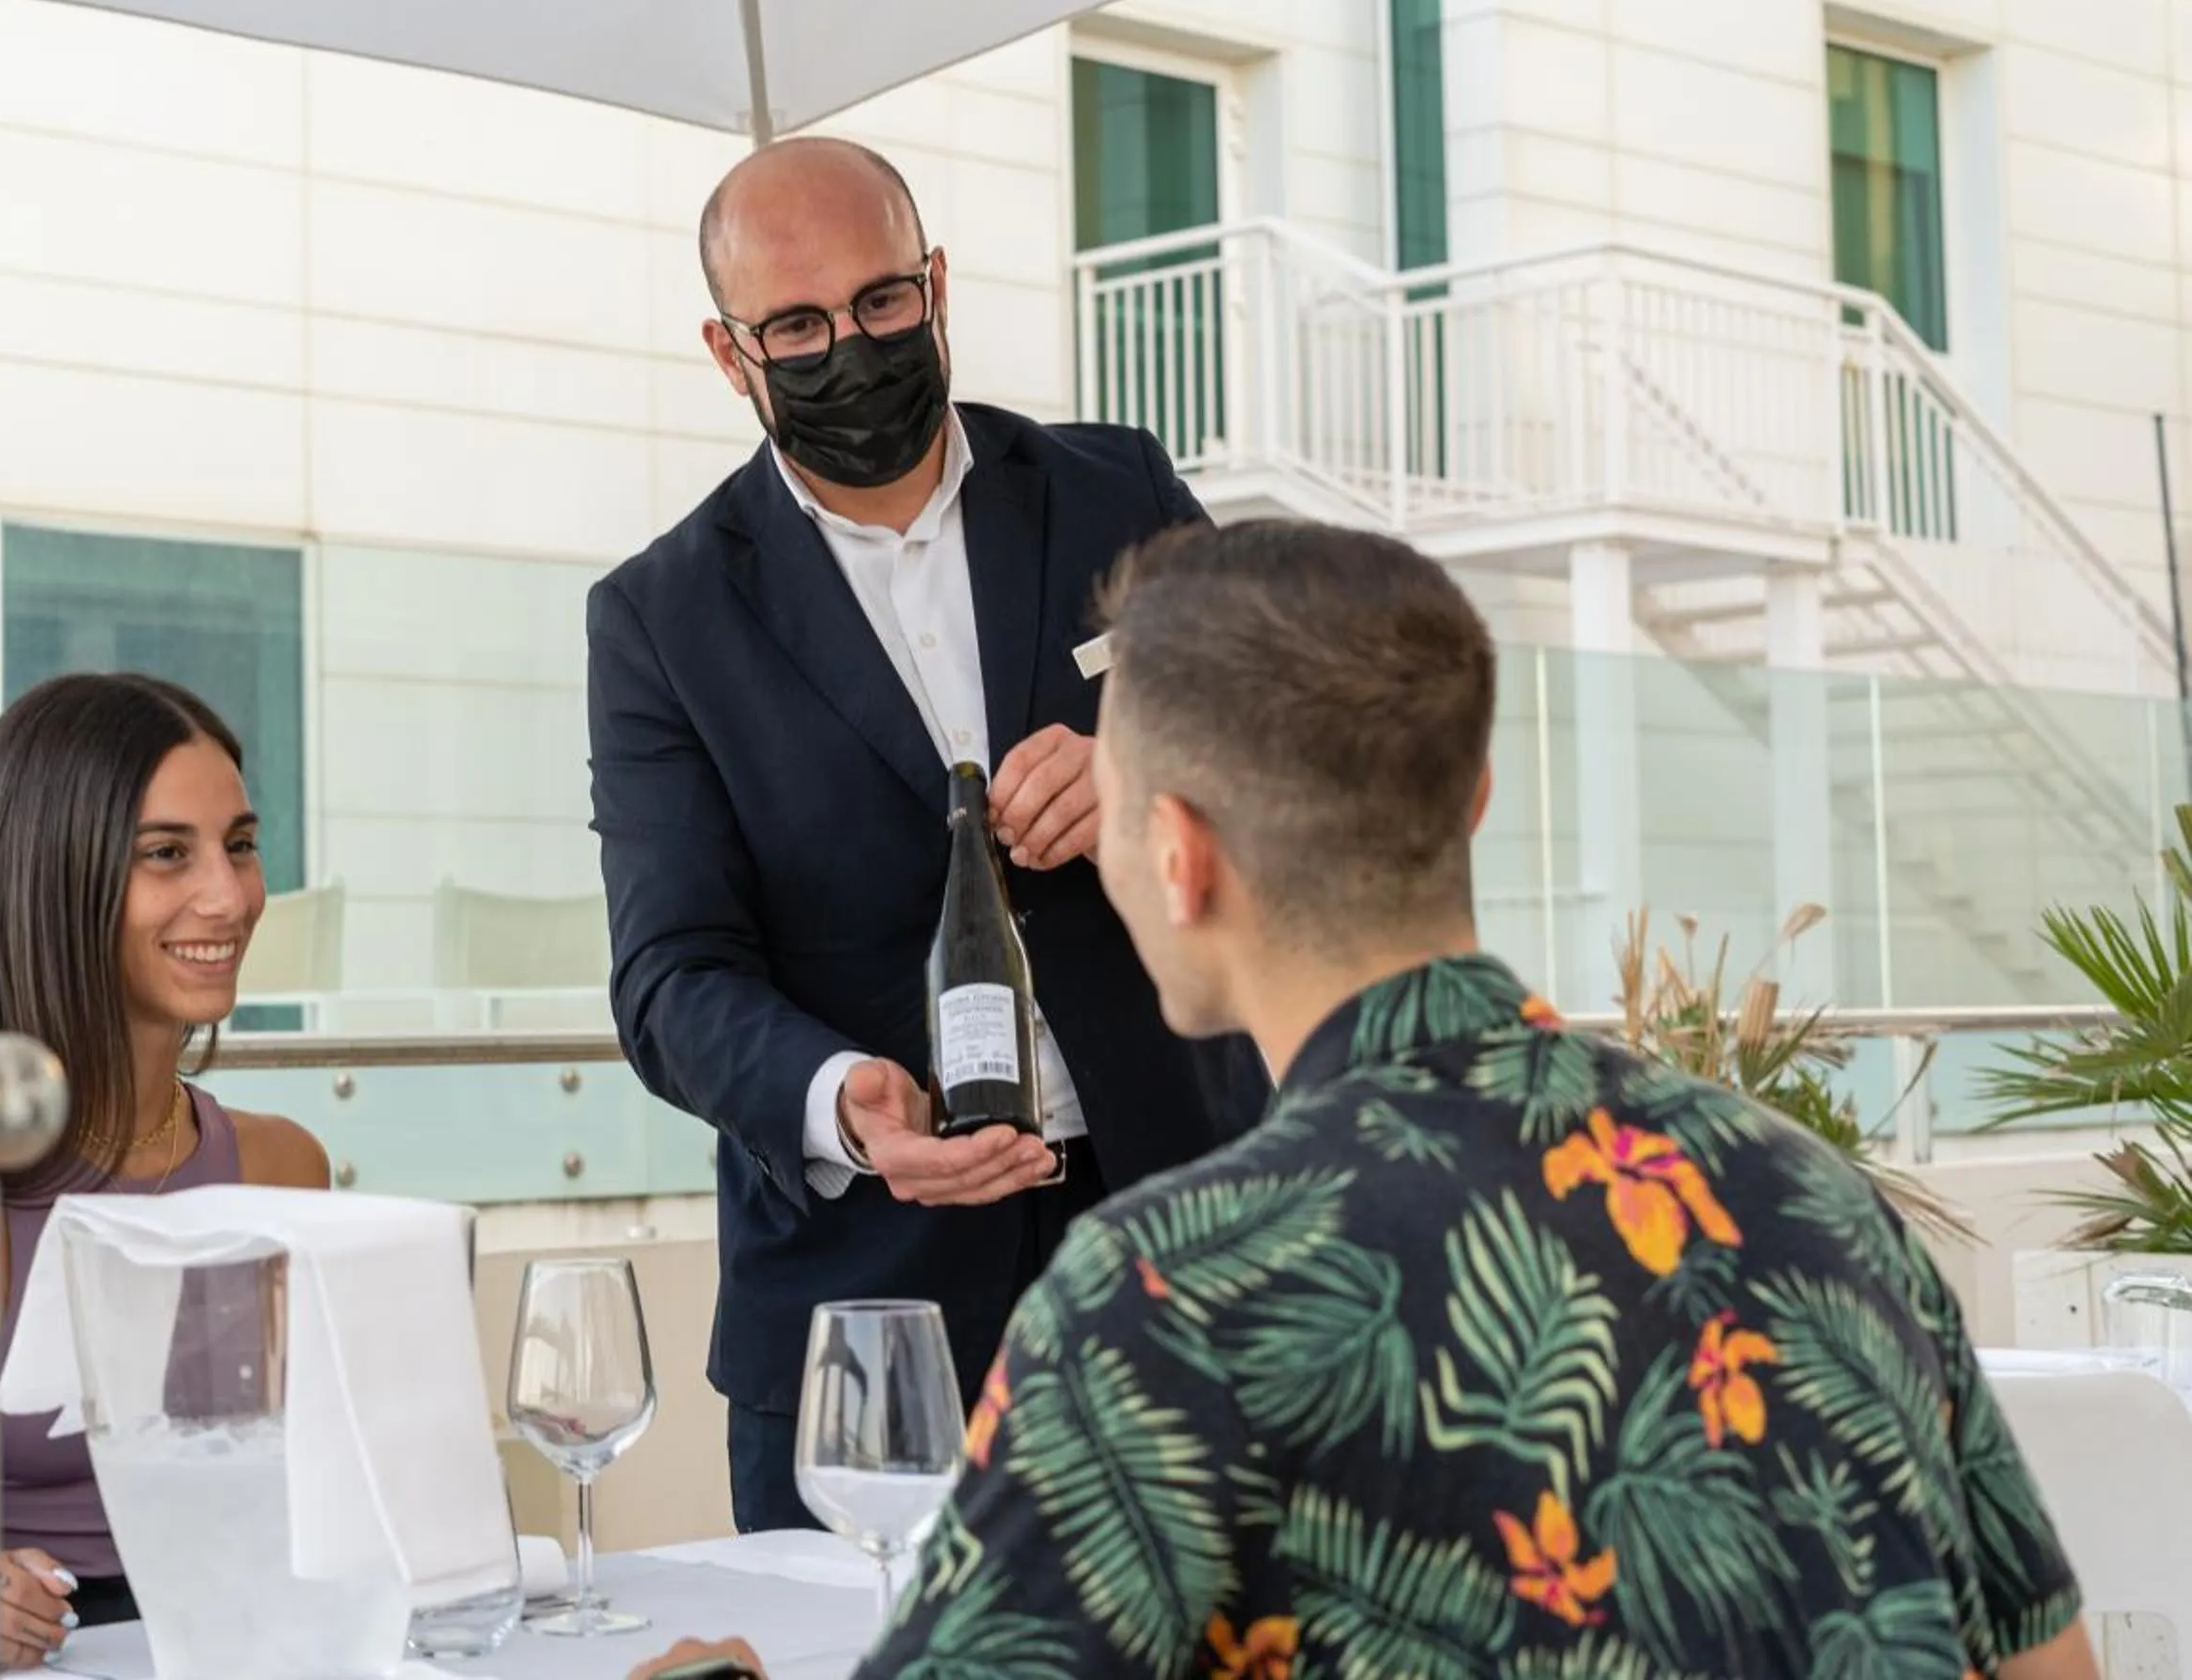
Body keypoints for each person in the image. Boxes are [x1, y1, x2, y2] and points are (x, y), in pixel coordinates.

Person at [632, 519, 2095, 1679]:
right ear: (1470, 800)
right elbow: (2052, 1665)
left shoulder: (1167, 1303)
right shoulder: (1817, 1203)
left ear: (1180, 858)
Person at [588, 137, 1269, 1531]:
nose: (850, 345)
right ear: (733, 355)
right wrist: (843, 1102)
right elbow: (670, 978)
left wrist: (1150, 771)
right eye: (798, 326)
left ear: (938, 285)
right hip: (862, 1304)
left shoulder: (1119, 492)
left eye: (883, 302)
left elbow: (1291, 759)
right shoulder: (660, 619)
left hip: (1179, 1244)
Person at [0, 673, 330, 1670]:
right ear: (52, 877)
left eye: (239, 844)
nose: (231, 893)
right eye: (167, 853)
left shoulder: (284, 1168)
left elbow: (333, 1501)